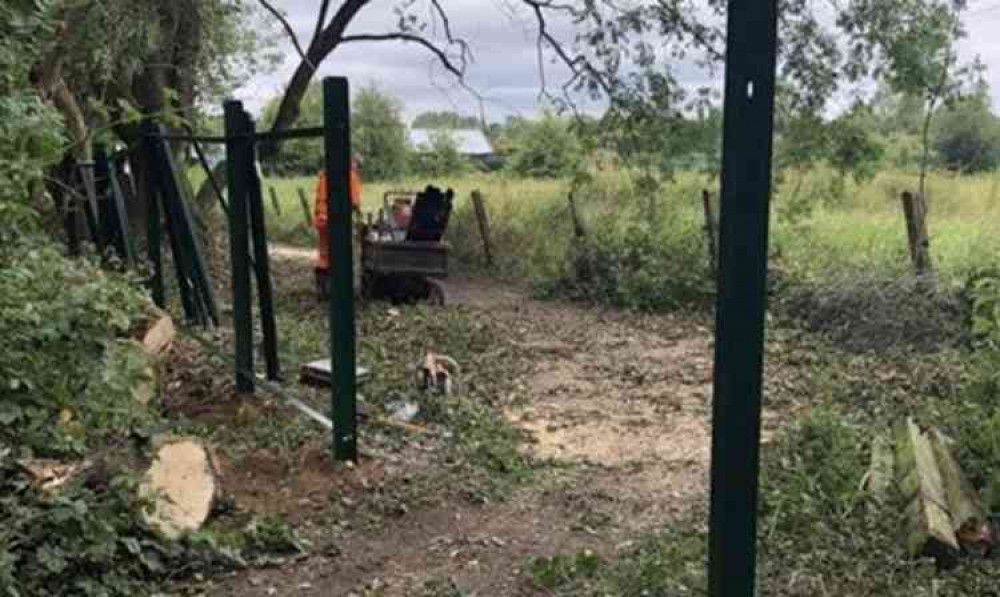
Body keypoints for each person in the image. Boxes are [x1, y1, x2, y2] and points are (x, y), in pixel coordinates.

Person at [313, 156, 363, 299]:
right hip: (337, 222)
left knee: (324, 255)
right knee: (341, 255)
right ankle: (338, 291)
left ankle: (322, 291)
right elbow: (354, 203)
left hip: (321, 220)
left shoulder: (325, 175)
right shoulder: (350, 176)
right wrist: (358, 217)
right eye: (356, 165)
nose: (356, 168)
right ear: (352, 164)